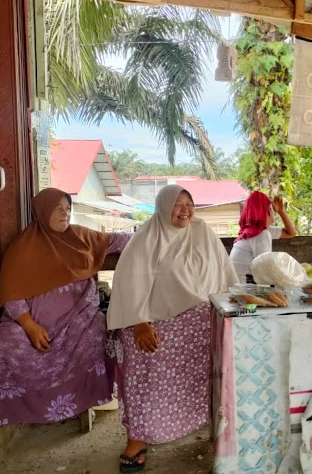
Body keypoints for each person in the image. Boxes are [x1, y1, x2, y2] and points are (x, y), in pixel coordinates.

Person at [107, 185, 239, 473]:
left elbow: (224, 273)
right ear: (163, 207)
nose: (184, 209)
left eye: (188, 203)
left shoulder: (203, 232)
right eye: (177, 204)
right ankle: (137, 438)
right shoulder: (147, 238)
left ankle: (204, 426)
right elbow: (130, 282)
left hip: (200, 321)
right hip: (153, 323)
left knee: (211, 368)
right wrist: (139, 322)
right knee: (143, 367)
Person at [0, 188, 129, 425]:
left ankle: (80, 401)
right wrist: (29, 326)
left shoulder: (81, 237)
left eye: (68, 208)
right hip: (33, 325)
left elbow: (119, 240)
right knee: (6, 341)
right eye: (58, 209)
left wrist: (158, 235)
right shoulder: (22, 248)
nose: (65, 213)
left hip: (77, 319)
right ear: (43, 211)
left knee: (96, 333)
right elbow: (11, 293)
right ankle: (28, 409)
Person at [230, 190, 297, 283]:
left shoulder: (255, 231)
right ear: (266, 211)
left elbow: (291, 233)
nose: (274, 212)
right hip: (244, 286)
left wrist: (281, 212)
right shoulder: (261, 234)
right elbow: (264, 268)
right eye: (272, 209)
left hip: (239, 283)